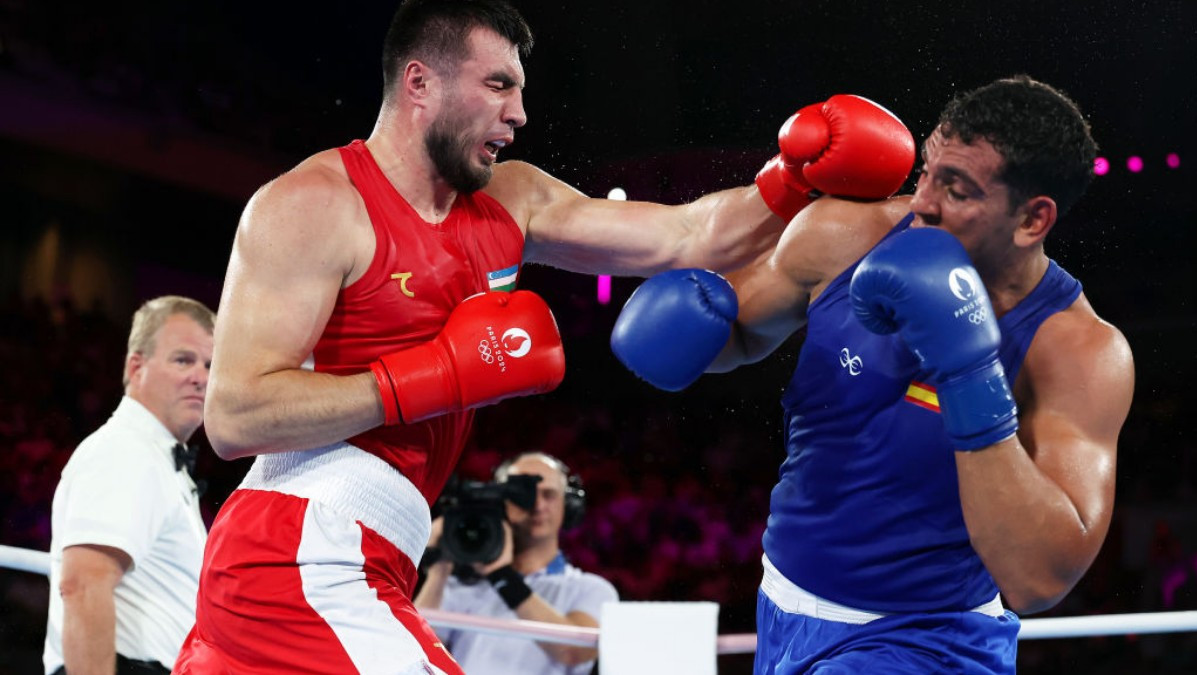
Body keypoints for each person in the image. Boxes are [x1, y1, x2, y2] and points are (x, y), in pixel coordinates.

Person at [174, 0, 915, 672]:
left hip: (369, 553)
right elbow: (235, 416)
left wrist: (789, 177)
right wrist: (436, 375)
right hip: (296, 548)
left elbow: (683, 235)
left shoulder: (511, 197)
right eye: (499, 85)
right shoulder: (313, 204)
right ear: (419, 82)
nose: (520, 112)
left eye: (520, 90)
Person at [612, 75, 1136, 673]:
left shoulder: (1077, 352)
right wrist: (689, 323)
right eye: (928, 173)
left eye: (957, 189)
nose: (923, 204)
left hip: (929, 641)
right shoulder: (844, 236)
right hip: (782, 605)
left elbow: (1041, 578)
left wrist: (969, 372)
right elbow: (740, 336)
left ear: (1031, 220)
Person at [43, 296, 214, 675]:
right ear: (137, 367)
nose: (201, 377)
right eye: (183, 360)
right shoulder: (125, 450)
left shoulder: (158, 459)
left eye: (209, 365)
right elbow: (84, 583)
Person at [415, 452, 617, 674]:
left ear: (567, 505)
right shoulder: (461, 587)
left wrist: (501, 575)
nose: (537, 505)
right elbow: (414, 653)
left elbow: (572, 652)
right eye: (523, 495)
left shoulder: (591, 590)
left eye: (548, 494)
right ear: (502, 501)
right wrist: (438, 573)